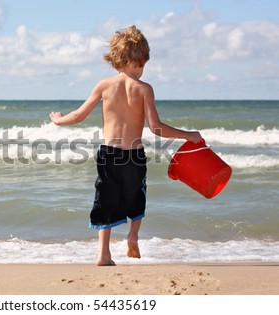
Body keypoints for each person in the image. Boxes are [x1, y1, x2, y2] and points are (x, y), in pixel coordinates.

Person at [49, 26, 202, 266]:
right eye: (142, 64)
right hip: (134, 154)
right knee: (136, 196)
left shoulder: (104, 86)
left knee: (105, 198)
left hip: (108, 154)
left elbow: (79, 115)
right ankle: (132, 235)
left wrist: (59, 120)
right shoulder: (144, 89)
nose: (142, 70)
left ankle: (103, 254)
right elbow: (156, 128)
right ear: (135, 61)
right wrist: (187, 135)